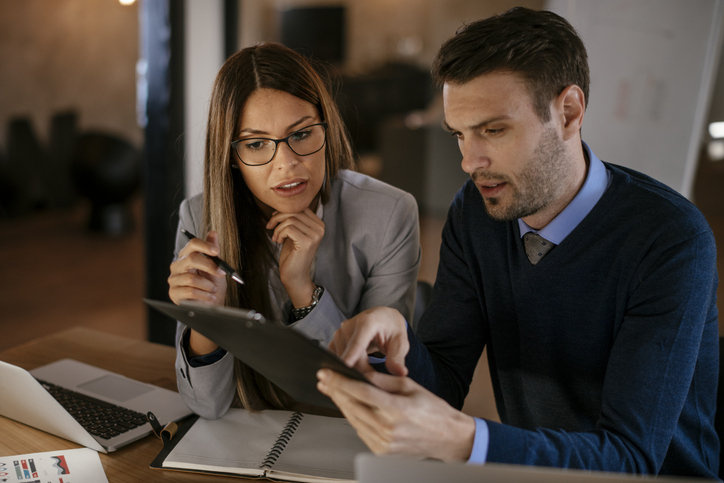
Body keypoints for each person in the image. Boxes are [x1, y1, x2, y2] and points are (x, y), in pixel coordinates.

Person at [316, 7, 720, 479]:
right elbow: (443, 379)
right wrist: (395, 334)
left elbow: (630, 458)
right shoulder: (477, 211)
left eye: (493, 130)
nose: (470, 161)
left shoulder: (671, 239)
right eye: (459, 135)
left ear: (568, 112)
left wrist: (465, 440)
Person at [168, 42, 421, 418]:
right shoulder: (199, 218)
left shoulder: (390, 214)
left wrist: (304, 292)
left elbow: (374, 389)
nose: (287, 164)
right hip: (244, 441)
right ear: (231, 156)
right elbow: (207, 405)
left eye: (301, 134)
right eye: (256, 144)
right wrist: (205, 319)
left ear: (327, 127)